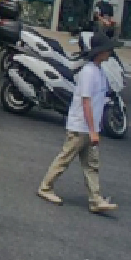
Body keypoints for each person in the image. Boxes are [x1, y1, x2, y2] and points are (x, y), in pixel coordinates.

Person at [38, 35, 119, 213]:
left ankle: (95, 199)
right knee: (65, 159)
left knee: (91, 165)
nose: (110, 52)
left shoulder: (99, 71)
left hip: (89, 127)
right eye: (107, 50)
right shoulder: (89, 72)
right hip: (81, 127)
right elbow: (86, 102)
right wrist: (92, 131)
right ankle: (45, 187)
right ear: (100, 53)